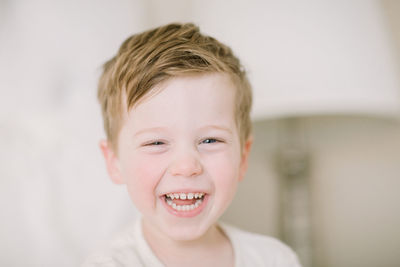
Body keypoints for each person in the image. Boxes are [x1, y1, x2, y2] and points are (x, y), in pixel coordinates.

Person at [83, 23, 301, 267]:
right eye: (156, 142)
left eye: (210, 140)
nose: (186, 166)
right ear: (114, 162)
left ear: (242, 156)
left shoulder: (274, 259)